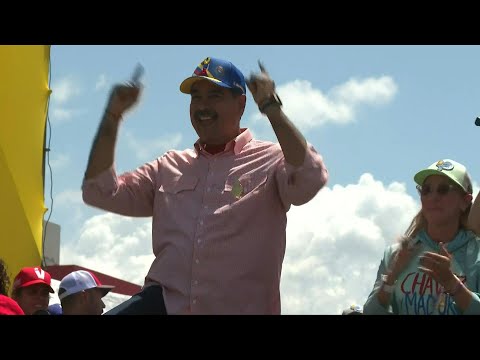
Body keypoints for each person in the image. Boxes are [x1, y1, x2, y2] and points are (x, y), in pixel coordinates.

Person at [81, 56, 328, 315]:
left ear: (241, 103)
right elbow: (99, 192)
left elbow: (310, 179)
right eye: (196, 97)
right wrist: (113, 115)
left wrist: (271, 107)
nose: (202, 106)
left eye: (214, 95)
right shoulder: (169, 165)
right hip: (166, 305)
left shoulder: (272, 159)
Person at [363, 159, 480, 315]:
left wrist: (452, 284)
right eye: (426, 190)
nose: (433, 196)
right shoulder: (396, 254)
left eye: (443, 189)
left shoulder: (477, 255)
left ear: (465, 202)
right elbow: (370, 312)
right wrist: (392, 276)